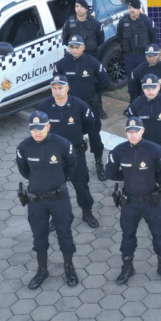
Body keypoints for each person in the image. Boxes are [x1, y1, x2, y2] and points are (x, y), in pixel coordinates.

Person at [107, 117, 161, 285]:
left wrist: (151, 178)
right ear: (126, 133)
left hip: (151, 201)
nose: (132, 135)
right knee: (127, 236)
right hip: (129, 202)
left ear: (142, 131)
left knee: (159, 235)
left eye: (136, 131)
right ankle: (127, 267)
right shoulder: (118, 151)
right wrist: (129, 177)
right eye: (129, 132)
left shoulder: (155, 149)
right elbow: (111, 173)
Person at [15, 111, 79, 290]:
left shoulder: (62, 144)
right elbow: (25, 171)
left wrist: (57, 179)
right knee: (39, 237)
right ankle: (42, 270)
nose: (37, 132)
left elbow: (71, 165)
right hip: (36, 200)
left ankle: (69, 267)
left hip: (59, 198)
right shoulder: (23, 147)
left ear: (48, 127)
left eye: (41, 128)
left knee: (65, 234)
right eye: (33, 128)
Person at [35, 75, 100, 229]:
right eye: (54, 88)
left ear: (67, 88)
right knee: (53, 188)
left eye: (61, 87)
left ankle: (87, 213)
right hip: (53, 156)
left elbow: (89, 124)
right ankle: (56, 216)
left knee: (82, 185)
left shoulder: (79, 105)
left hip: (75, 153)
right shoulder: (43, 107)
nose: (57, 91)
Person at [124, 74, 161, 228]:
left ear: (158, 87)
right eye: (146, 88)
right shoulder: (136, 105)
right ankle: (145, 209)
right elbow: (131, 129)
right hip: (142, 149)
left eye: (152, 87)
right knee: (143, 178)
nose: (149, 91)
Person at [53, 34, 111, 181]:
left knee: (94, 135)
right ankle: (69, 165)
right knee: (69, 136)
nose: (74, 49)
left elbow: (105, 82)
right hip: (70, 106)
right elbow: (56, 86)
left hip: (90, 105)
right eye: (71, 46)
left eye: (77, 46)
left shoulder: (93, 62)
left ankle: (99, 162)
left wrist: (93, 92)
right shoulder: (61, 65)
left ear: (83, 47)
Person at [115, 0, 158, 79]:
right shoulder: (123, 21)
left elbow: (153, 36)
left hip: (143, 56)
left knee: (144, 78)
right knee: (131, 79)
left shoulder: (146, 21)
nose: (131, 10)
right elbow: (119, 36)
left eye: (134, 8)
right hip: (129, 56)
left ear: (138, 9)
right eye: (129, 8)